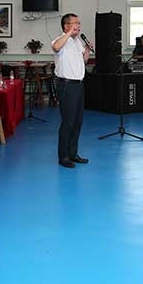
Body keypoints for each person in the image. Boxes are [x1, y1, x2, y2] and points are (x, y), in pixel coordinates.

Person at [52, 13, 91, 169]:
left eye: (79, 23)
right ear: (66, 26)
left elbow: (84, 61)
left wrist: (87, 49)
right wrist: (68, 33)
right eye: (75, 23)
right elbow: (56, 47)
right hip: (67, 85)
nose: (78, 26)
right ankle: (63, 156)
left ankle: (73, 153)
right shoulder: (60, 40)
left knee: (77, 122)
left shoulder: (77, 41)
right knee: (68, 122)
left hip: (79, 85)